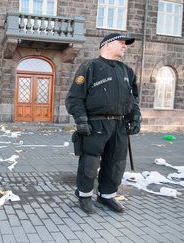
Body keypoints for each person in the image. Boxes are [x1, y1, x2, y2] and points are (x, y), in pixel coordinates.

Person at [65, 33, 141, 214]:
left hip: (119, 125)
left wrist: (135, 116)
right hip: (96, 124)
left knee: (116, 163)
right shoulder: (89, 67)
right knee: (89, 162)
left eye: (125, 44)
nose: (124, 46)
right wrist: (81, 120)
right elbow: (75, 98)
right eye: (121, 43)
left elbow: (133, 99)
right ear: (106, 45)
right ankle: (84, 196)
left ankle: (107, 196)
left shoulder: (127, 71)